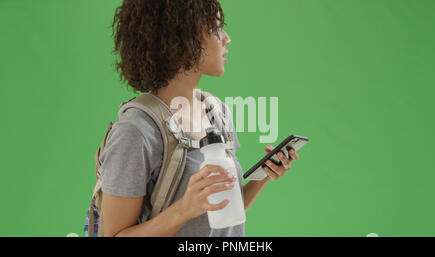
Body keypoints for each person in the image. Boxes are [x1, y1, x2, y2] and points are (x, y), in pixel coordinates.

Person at [100, 0, 300, 237]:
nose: (226, 38)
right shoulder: (136, 131)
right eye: (216, 29)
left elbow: (225, 211)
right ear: (183, 39)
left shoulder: (217, 111)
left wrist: (264, 174)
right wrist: (184, 209)